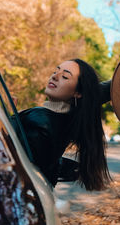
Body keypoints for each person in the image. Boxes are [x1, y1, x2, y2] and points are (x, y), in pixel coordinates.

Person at [16, 59, 112, 191]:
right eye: (56, 71)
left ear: (78, 93)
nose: (54, 76)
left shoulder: (41, 122)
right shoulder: (66, 120)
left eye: (65, 76)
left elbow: (6, 156)